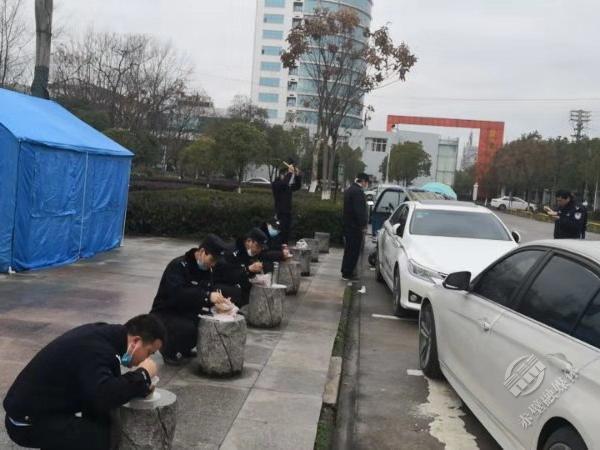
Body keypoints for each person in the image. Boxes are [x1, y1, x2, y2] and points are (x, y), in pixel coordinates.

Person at [3, 314, 165, 450]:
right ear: (136, 341)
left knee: (100, 420)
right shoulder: (100, 350)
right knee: (99, 437)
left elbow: (103, 389)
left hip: (37, 410)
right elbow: (104, 395)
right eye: (149, 352)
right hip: (25, 422)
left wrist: (140, 386)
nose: (146, 359)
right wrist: (143, 374)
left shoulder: (106, 337)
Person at [150, 234, 236, 365]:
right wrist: (208, 296)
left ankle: (184, 349)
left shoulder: (207, 269)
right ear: (202, 252)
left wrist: (218, 305)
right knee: (187, 328)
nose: (213, 264)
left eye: (216, 261)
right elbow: (177, 294)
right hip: (166, 312)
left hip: (187, 311)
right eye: (212, 259)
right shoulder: (178, 266)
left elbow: (205, 292)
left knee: (207, 322)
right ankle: (168, 351)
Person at [217, 228, 274, 307]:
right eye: (258, 246)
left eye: (261, 248)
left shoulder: (253, 251)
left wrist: (260, 275)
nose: (259, 250)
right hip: (223, 286)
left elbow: (267, 258)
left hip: (240, 286)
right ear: (249, 241)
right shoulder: (232, 252)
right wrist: (248, 269)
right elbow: (230, 276)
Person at [341, 173, 369, 280]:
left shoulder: (350, 190)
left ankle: (345, 271)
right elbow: (359, 211)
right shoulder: (358, 192)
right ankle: (348, 273)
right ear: (363, 181)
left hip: (348, 225)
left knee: (348, 250)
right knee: (353, 251)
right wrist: (363, 225)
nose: (366, 185)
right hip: (355, 227)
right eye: (366, 182)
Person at [272, 160, 302, 244]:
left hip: (288, 211)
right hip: (280, 212)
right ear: (282, 175)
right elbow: (284, 184)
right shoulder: (276, 184)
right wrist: (289, 173)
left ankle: (284, 246)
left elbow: (297, 186)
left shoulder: (287, 185)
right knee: (281, 231)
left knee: (286, 232)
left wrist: (297, 175)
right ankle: (279, 247)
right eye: (286, 175)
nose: (288, 177)